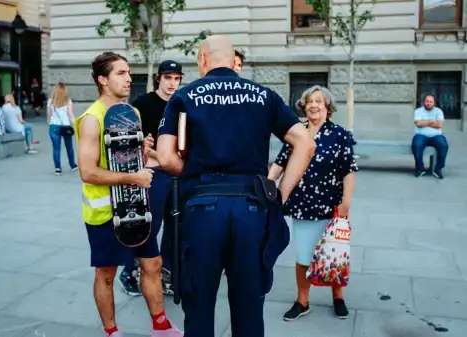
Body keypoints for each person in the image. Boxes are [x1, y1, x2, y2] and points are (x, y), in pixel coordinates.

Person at [156, 35, 316, 337]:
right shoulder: (262, 95)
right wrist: (278, 194)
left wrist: (194, 174)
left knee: (199, 308)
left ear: (203, 60)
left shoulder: (185, 96)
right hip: (251, 210)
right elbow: (305, 143)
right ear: (233, 61)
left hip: (202, 211)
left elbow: (165, 157)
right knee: (249, 310)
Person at [75, 51, 183, 337]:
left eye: (128, 72)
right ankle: (112, 332)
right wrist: (133, 177)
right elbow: (87, 172)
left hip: (136, 205)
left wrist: (146, 150)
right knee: (106, 274)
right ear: (102, 79)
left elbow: (132, 157)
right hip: (104, 213)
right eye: (121, 73)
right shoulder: (91, 119)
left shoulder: (131, 113)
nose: (128, 78)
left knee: (153, 264)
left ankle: (160, 326)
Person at [268, 85, 358, 321]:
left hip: (332, 205)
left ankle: (338, 297)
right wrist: (268, 184)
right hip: (303, 205)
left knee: (334, 253)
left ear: (327, 107)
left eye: (319, 101)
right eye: (309, 101)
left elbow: (349, 171)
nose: (314, 105)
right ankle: (302, 300)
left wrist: (347, 201)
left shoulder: (340, 135)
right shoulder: (298, 134)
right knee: (304, 256)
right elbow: (280, 163)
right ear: (304, 107)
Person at [118, 60, 184, 296]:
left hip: (177, 174)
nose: (172, 83)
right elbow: (134, 141)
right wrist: (162, 157)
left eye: (176, 78)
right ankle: (129, 272)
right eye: (168, 77)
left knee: (174, 227)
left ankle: (164, 272)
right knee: (148, 226)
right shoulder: (142, 104)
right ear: (158, 78)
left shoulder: (182, 104)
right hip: (153, 173)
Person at [412, 94, 448, 179]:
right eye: (427, 101)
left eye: (431, 102)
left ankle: (438, 169)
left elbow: (439, 125)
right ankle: (420, 168)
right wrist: (431, 122)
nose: (428, 103)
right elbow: (418, 124)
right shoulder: (418, 111)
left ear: (434, 103)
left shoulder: (438, 111)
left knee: (444, 145)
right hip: (421, 135)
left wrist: (424, 122)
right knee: (416, 145)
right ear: (424, 102)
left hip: (436, 136)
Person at [47, 82, 78, 175]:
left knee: (56, 148)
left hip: (53, 127)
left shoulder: (50, 101)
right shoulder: (68, 101)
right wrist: (76, 124)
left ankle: (57, 168)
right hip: (66, 127)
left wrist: (51, 124)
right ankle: (72, 165)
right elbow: (71, 115)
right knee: (69, 147)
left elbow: (49, 115)